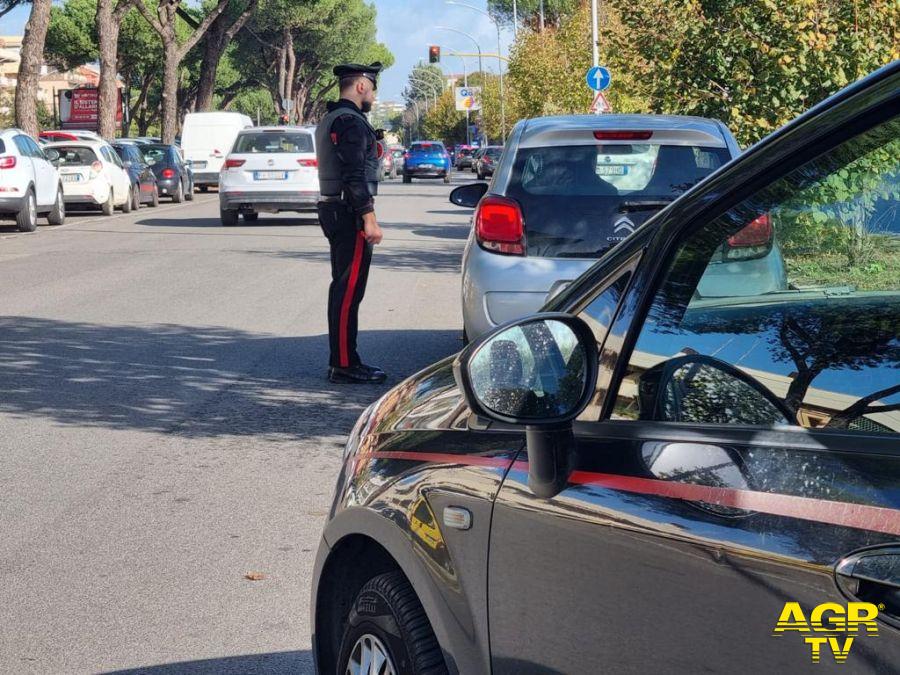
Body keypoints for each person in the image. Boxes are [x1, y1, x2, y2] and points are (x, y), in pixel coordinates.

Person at [315, 62, 387, 384]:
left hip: (336, 209)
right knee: (347, 291)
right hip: (349, 214)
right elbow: (354, 175)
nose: (372, 95)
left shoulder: (334, 118)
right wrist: (368, 218)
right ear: (360, 86)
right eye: (371, 88)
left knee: (344, 289)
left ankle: (344, 358)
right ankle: (344, 363)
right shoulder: (350, 122)